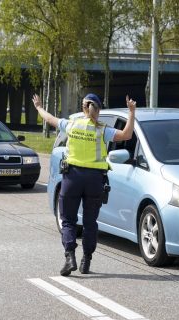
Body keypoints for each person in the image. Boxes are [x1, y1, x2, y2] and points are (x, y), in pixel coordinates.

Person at [33, 92, 136, 276]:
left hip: (72, 178)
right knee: (90, 222)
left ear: (83, 108)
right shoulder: (103, 130)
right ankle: (86, 260)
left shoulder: (71, 124)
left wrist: (39, 107)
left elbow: (49, 119)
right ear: (98, 109)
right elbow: (127, 134)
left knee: (68, 221)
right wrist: (131, 112)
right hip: (95, 181)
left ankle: (69, 256)